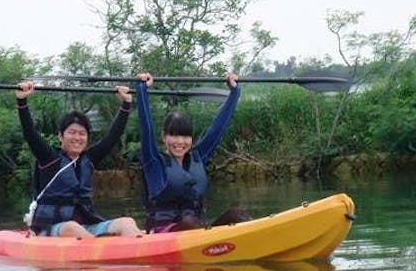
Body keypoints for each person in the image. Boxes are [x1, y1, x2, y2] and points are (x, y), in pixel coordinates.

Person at [15, 81, 141, 237]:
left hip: (87, 226)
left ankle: (141, 255)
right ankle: (100, 254)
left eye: (82, 134)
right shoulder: (49, 158)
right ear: (61, 136)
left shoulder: (89, 159)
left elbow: (112, 137)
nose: (77, 137)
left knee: (127, 222)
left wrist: (126, 104)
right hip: (50, 228)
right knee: (72, 228)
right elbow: (30, 134)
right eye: (72, 132)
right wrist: (22, 101)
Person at [136, 72, 252, 233]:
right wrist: (142, 89)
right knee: (190, 223)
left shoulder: (198, 158)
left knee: (237, 216)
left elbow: (217, 128)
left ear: (191, 139)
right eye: (173, 135)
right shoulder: (153, 162)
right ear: (164, 137)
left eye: (185, 136)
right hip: (163, 234)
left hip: (198, 231)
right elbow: (146, 127)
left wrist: (234, 92)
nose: (179, 142)